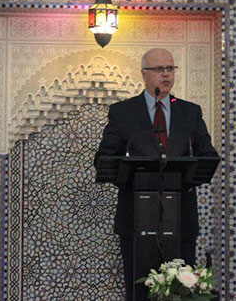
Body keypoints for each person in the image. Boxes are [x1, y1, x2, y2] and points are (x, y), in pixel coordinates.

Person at [94, 48, 219, 301]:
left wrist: (185, 171)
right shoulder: (123, 112)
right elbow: (105, 158)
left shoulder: (190, 112)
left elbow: (207, 155)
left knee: (181, 290)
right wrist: (134, 173)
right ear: (144, 74)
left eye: (170, 68)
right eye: (159, 69)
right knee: (139, 290)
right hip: (136, 217)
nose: (166, 74)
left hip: (181, 216)